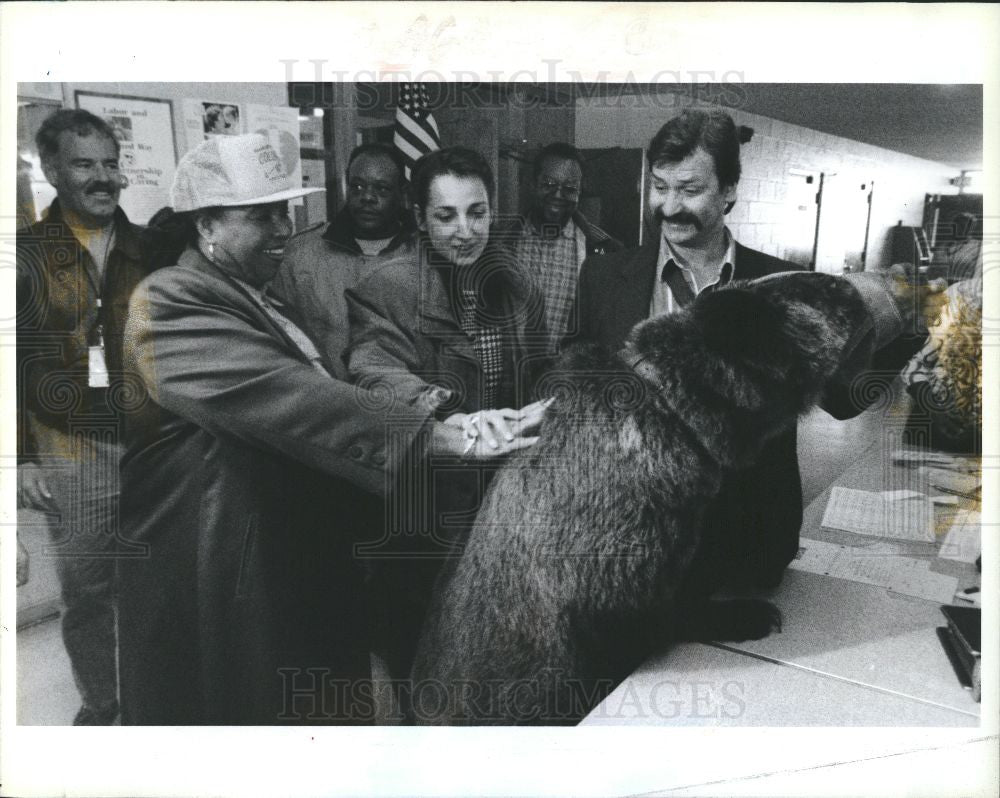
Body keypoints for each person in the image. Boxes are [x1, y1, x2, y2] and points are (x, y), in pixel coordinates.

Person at [117, 134, 509, 725]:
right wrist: (440, 434)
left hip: (281, 570)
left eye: (286, 211)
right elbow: (296, 401)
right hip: (215, 577)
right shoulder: (167, 301)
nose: (284, 230)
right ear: (208, 227)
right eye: (263, 216)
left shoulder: (255, 296)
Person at [568, 109, 925, 616]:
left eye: (689, 189)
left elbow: (847, 400)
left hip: (746, 550)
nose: (669, 206)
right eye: (659, 186)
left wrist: (913, 316)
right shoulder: (603, 277)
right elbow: (577, 374)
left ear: (729, 191)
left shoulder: (782, 284)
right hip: (632, 546)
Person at [344, 146, 550, 690]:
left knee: (492, 655)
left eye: (476, 212)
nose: (465, 230)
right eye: (446, 215)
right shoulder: (387, 286)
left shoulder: (517, 285)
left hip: (499, 504)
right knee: (421, 657)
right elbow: (373, 375)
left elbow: (540, 371)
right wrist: (450, 412)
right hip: (422, 511)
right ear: (418, 218)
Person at [16, 109, 161, 725]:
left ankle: (159, 696)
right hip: (67, 443)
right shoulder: (22, 255)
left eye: (110, 163)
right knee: (88, 589)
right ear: (50, 170)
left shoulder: (151, 247)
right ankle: (103, 705)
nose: (104, 178)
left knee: (158, 578)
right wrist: (18, 457)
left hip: (151, 437)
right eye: (84, 164)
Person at [270, 143, 416, 377]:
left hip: (402, 403)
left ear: (403, 193)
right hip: (325, 402)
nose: (367, 197)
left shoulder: (421, 257)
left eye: (382, 189)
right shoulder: (301, 254)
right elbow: (278, 336)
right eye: (357, 186)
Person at [496, 142, 622, 353]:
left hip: (569, 381)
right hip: (509, 378)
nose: (558, 195)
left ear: (580, 193)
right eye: (549, 184)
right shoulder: (499, 241)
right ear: (533, 184)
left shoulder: (605, 251)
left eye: (570, 188)